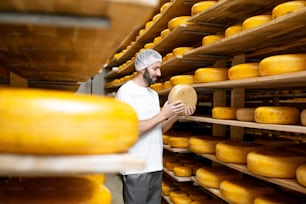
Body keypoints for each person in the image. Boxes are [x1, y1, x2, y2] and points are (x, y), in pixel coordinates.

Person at [115, 49, 195, 204]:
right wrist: (163, 114)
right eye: (155, 68)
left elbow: (160, 129)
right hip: (136, 167)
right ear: (141, 69)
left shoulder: (153, 94)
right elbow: (130, 130)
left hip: (155, 165)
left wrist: (176, 114)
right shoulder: (126, 92)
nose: (159, 73)